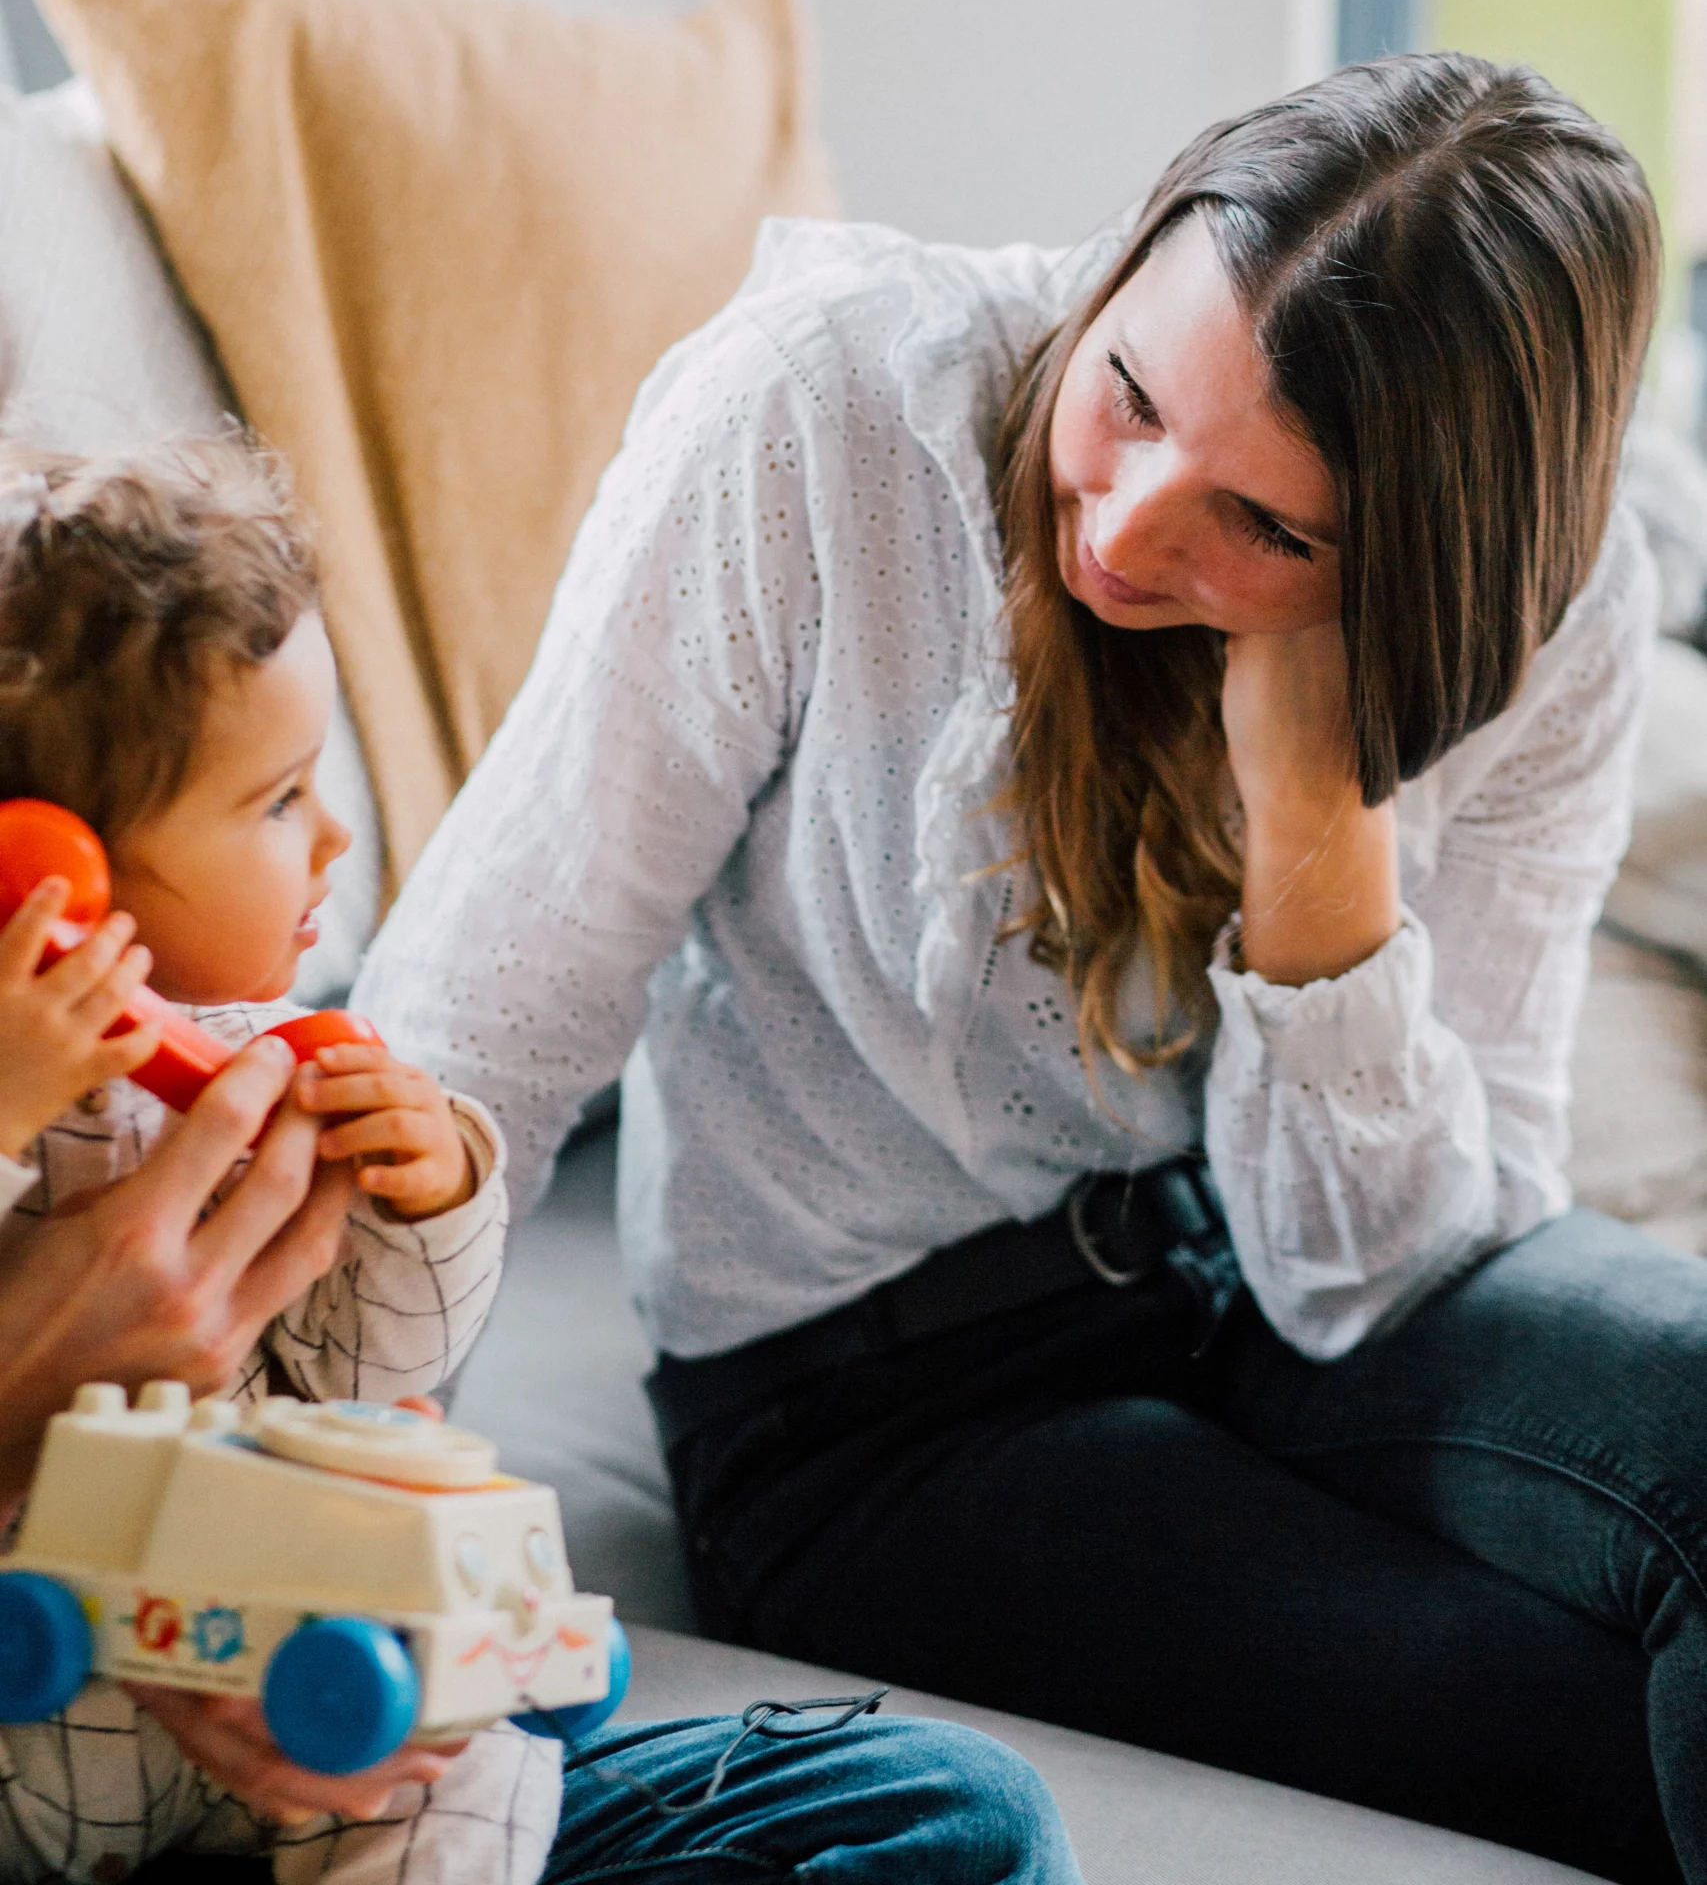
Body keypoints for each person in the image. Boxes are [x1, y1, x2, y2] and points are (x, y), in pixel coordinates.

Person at [357, 51, 1702, 1883]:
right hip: (877, 1403)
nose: (1131, 528)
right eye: (1132, 393)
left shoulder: (1563, 612)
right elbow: (489, 1014)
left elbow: (1382, 1275)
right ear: (1133, 249)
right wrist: (283, 1494)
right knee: (1575, 1725)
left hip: (1289, 1289)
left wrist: (1315, 806)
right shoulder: (825, 419)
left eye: (1271, 527)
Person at [0, 445, 1084, 1885]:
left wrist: (426, 1197)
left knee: (948, 1813)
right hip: (48, 1758)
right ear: (46, 868)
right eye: (273, 802)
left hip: (290, 1761)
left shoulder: (274, 1064)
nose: (333, 838)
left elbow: (376, 1390)